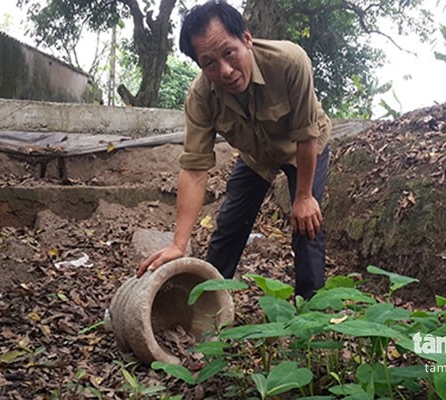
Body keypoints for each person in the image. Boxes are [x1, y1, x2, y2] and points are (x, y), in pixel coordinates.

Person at [136, 0, 331, 299]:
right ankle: (208, 304)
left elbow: (306, 135)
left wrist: (304, 197)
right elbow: (194, 168)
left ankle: (311, 313)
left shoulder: (290, 62)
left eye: (229, 53)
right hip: (256, 157)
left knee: (306, 225)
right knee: (229, 226)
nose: (225, 71)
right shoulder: (201, 98)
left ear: (247, 39)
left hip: (302, 148)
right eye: (209, 63)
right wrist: (179, 243)